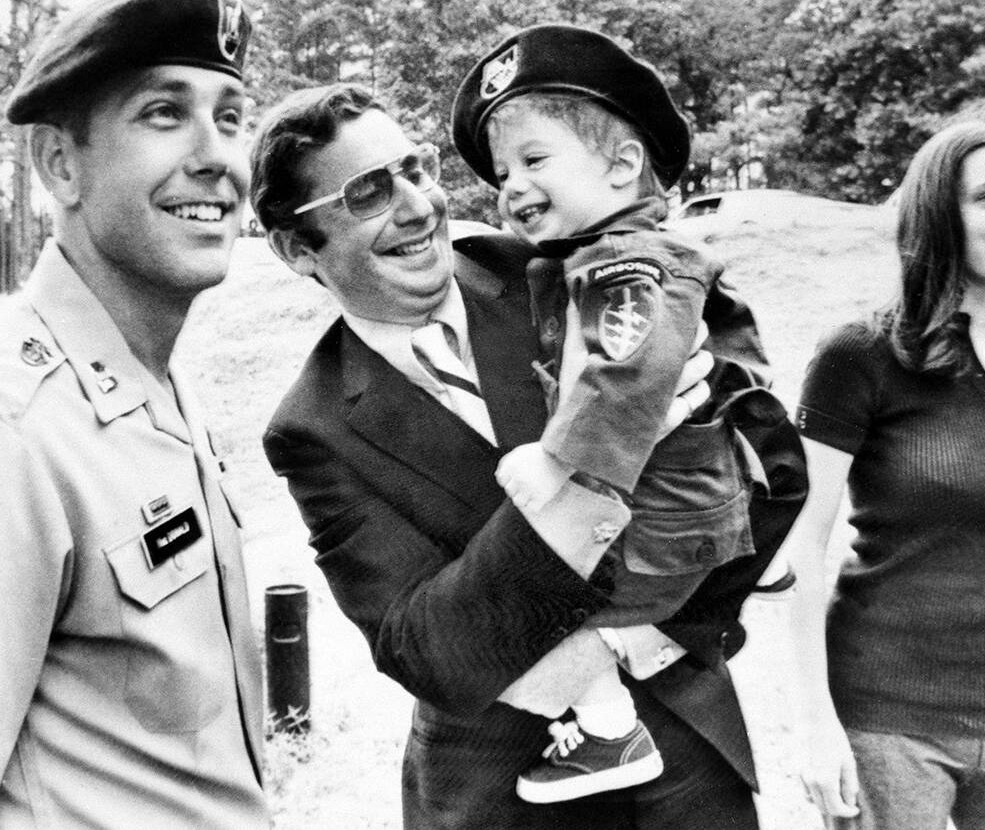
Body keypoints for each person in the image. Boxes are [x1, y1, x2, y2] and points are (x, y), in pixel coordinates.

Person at [252, 80, 806, 829]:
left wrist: (656, 632)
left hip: (687, 754)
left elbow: (758, 442)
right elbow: (426, 647)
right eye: (370, 192)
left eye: (415, 169)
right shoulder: (312, 427)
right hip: (500, 794)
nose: (418, 206)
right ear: (297, 249)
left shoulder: (555, 263)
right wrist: (586, 477)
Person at [450, 23, 781, 804]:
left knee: (530, 609)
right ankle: (609, 715)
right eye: (503, 170)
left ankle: (609, 728)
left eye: (535, 159)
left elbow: (627, 371)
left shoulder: (627, 261)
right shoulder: (599, 255)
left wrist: (554, 462)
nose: (512, 185)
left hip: (662, 529)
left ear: (623, 166)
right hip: (674, 519)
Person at [0, 0, 267, 827]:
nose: (217, 156)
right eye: (163, 112)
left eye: (231, 117)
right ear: (60, 164)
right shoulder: (18, 424)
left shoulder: (154, 374)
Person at [786, 120, 985, 829]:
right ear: (937, 214)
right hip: (889, 714)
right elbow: (800, 546)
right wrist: (815, 721)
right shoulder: (859, 354)